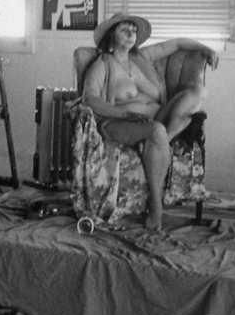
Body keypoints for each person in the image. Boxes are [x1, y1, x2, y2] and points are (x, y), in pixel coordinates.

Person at [81, 12, 219, 231]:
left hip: (156, 117)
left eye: (134, 30)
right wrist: (125, 115)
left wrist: (205, 48)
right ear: (111, 35)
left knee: (198, 92)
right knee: (156, 130)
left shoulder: (142, 57)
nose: (131, 34)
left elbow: (177, 43)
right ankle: (156, 205)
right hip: (119, 123)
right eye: (124, 30)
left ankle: (163, 138)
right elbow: (89, 99)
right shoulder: (102, 65)